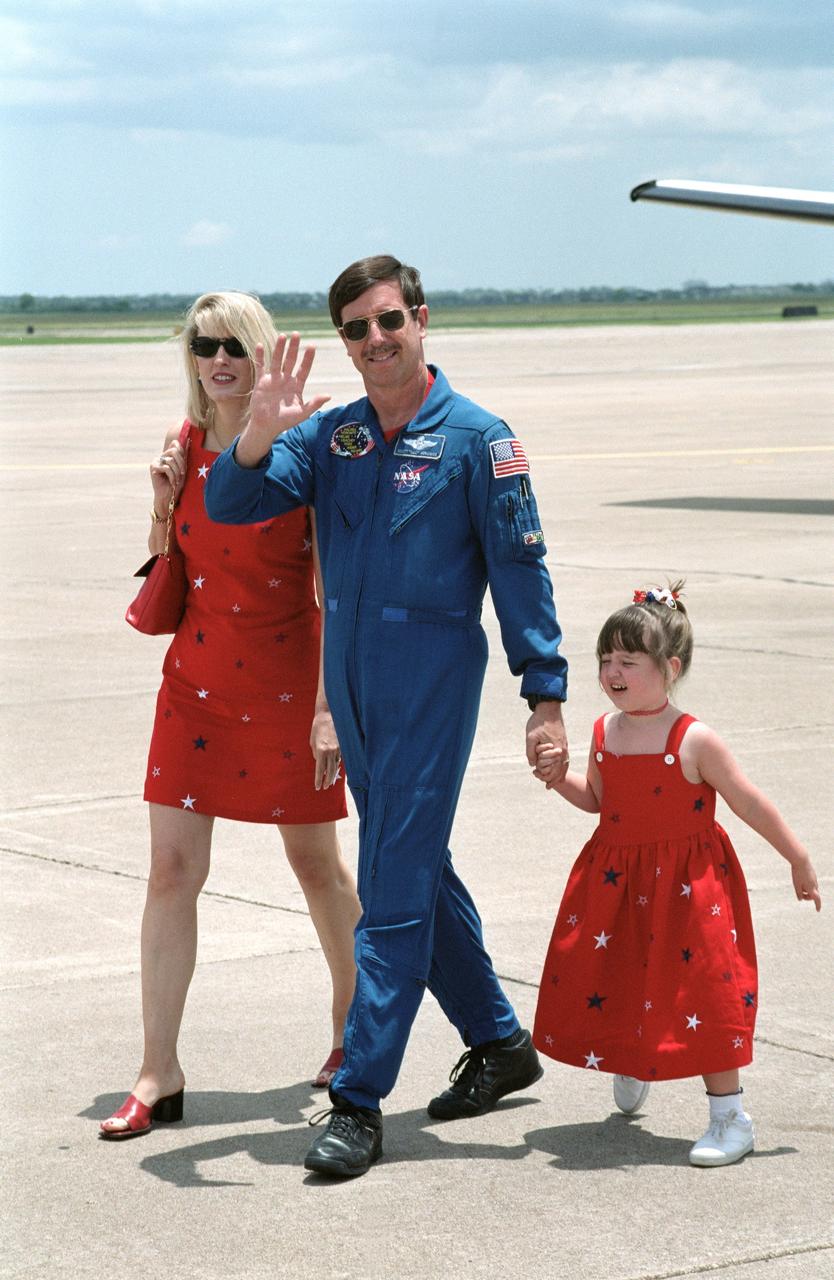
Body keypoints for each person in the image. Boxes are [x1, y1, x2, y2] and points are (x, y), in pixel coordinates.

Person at [204, 255, 569, 1177]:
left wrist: (545, 696)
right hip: (355, 683)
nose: (376, 340)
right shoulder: (335, 438)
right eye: (357, 329)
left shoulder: (479, 441)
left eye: (389, 321)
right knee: (414, 864)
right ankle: (498, 1040)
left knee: (392, 891)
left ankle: (359, 1100)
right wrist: (256, 431)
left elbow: (523, 574)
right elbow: (232, 500)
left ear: (422, 319)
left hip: (432, 677)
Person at [100, 291, 362, 1139]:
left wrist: (330, 710)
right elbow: (169, 572)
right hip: (196, 686)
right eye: (204, 345)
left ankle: (350, 1034)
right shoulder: (182, 444)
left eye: (235, 347)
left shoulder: (304, 450)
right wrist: (159, 497)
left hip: (291, 686)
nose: (219, 360)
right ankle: (157, 1070)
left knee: (316, 869)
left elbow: (335, 588)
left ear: (260, 356)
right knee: (170, 872)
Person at [532, 583, 821, 1167]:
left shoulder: (692, 739)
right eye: (605, 660)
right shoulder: (603, 732)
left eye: (627, 662)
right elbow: (598, 800)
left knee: (707, 994)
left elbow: (748, 801)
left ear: (670, 668)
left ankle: (729, 1116)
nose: (612, 672)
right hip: (616, 882)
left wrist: (797, 857)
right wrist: (557, 777)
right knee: (618, 973)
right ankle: (633, 1055)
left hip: (690, 890)